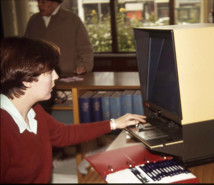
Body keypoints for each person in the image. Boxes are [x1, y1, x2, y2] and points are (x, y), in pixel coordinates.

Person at [0, 37, 146, 183]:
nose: (56, 76)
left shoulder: (35, 112)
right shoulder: (4, 129)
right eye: (49, 72)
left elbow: (64, 134)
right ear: (26, 80)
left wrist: (114, 123)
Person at [25, 0, 93, 75]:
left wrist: (83, 66)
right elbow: (26, 49)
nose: (39, 5)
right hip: (39, 76)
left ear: (55, 2)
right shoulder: (33, 20)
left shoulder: (72, 19)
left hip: (68, 76)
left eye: (43, 2)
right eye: (38, 2)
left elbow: (85, 48)